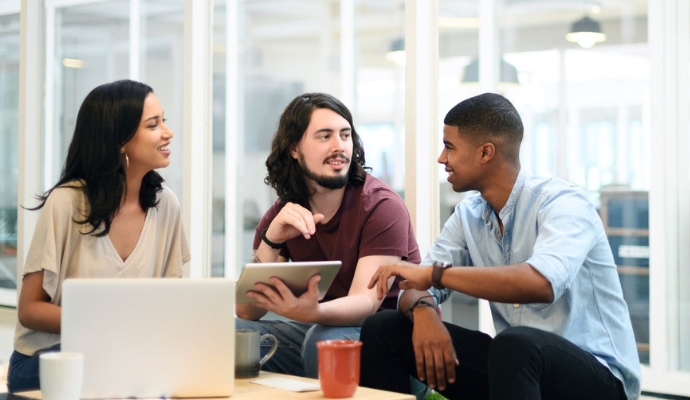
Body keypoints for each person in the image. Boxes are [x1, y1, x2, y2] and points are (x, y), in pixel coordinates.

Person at [360, 93, 641, 400]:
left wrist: (434, 276)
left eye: (449, 147)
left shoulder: (562, 202)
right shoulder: (469, 215)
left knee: (515, 345)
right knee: (384, 328)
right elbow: (413, 286)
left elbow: (541, 283)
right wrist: (426, 312)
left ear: (486, 152)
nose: (442, 158)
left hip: (600, 381)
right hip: (519, 370)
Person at [7, 80, 190, 393]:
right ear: (119, 140)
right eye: (153, 124)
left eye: (164, 121)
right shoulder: (67, 201)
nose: (167, 132)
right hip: (51, 358)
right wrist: (108, 327)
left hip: (126, 356)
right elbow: (29, 309)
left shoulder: (165, 204)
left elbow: (168, 303)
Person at [235, 92, 420, 378]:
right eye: (325, 136)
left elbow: (365, 304)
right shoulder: (284, 212)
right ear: (294, 148)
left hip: (386, 340)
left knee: (322, 341)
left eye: (345, 135)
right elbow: (247, 312)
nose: (339, 147)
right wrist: (272, 240)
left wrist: (311, 312)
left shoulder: (380, 205)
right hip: (319, 331)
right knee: (233, 335)